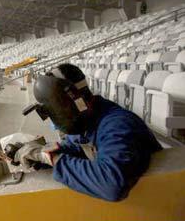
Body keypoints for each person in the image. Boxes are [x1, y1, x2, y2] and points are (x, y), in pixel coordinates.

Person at [14, 63, 162, 202]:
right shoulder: (88, 119)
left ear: (75, 100)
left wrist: (53, 159)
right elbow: (77, 147)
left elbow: (111, 185)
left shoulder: (118, 125)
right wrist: (40, 156)